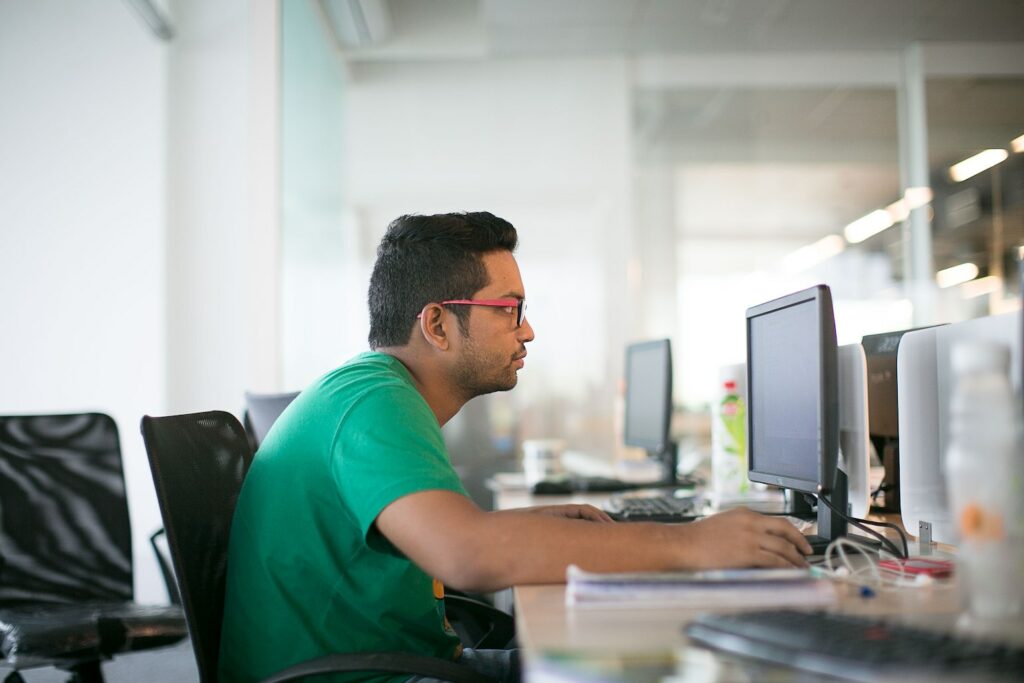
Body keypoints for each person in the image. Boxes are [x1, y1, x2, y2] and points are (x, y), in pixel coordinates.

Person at [218, 212, 812, 683]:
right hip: (365, 678)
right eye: (510, 310)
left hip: (391, 662)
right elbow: (466, 556)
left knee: (635, 660)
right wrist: (693, 543)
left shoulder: (371, 390)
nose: (527, 330)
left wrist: (530, 525)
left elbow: (446, 537)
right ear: (437, 324)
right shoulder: (373, 403)